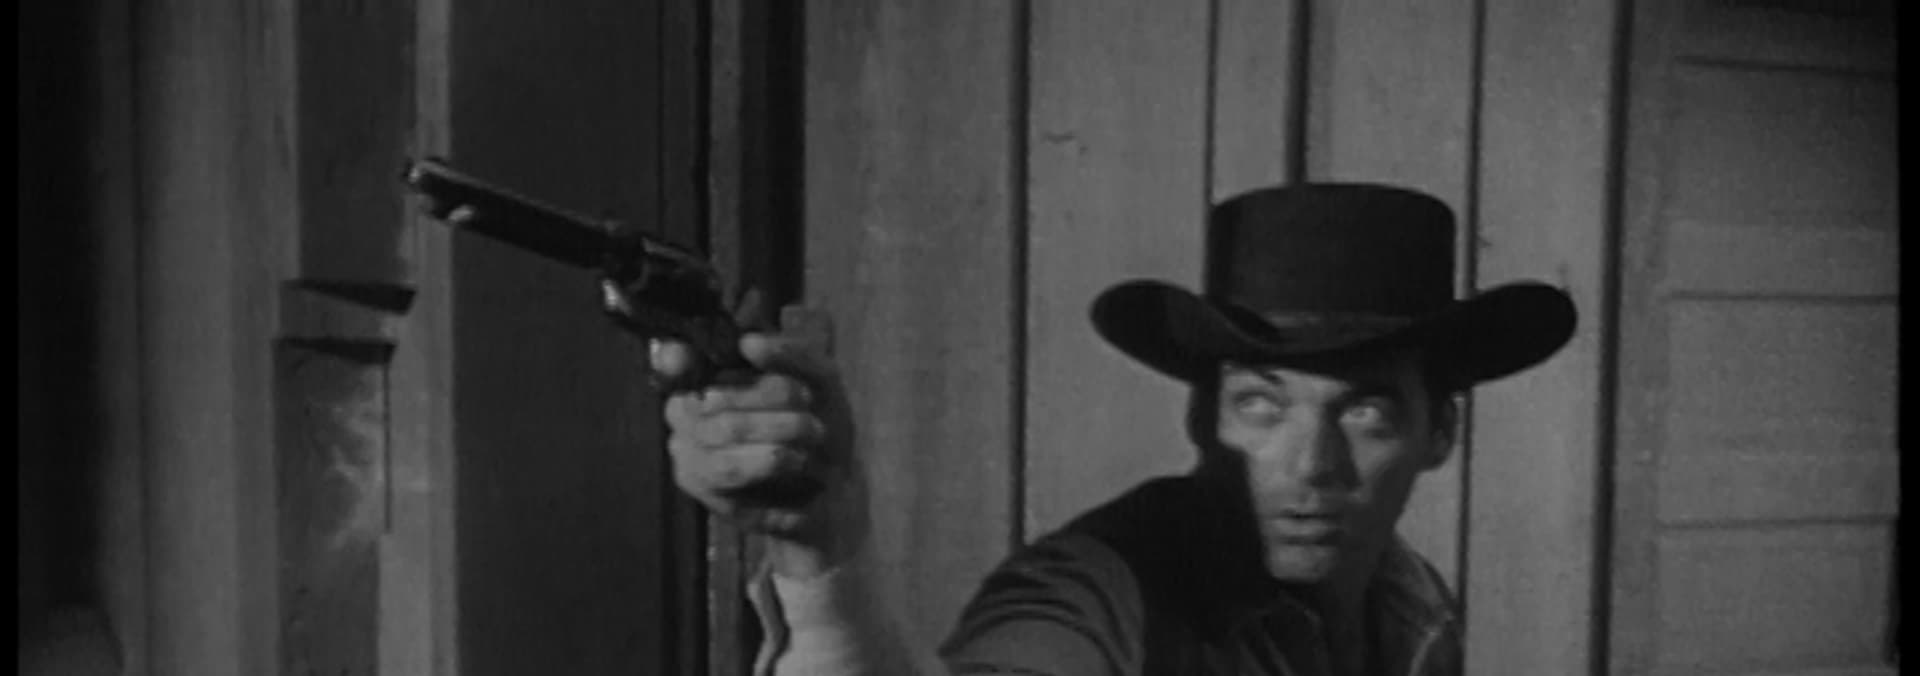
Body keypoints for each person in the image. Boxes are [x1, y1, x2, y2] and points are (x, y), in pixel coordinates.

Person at [648, 183, 1577, 675]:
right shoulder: (1104, 586)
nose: (1313, 465)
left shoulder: (1415, 608)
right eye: (1262, 405)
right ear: (1203, 416)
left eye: (1365, 412)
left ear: (1439, 433)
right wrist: (823, 561)